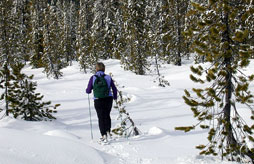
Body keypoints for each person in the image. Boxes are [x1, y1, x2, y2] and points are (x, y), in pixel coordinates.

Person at [86, 62, 117, 142]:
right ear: (104, 69)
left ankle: (103, 135)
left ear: (96, 69)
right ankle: (108, 131)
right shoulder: (108, 77)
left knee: (100, 117)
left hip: (98, 99)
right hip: (108, 99)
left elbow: (88, 90)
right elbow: (114, 88)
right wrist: (115, 97)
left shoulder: (93, 78)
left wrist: (88, 91)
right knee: (107, 115)